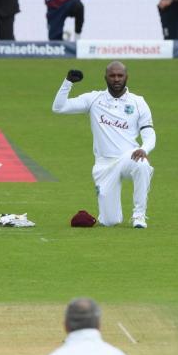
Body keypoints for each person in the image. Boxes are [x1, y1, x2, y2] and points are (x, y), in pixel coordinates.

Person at [52, 62, 155, 229]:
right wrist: (67, 83)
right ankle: (108, 213)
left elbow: (149, 133)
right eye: (112, 75)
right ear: (105, 77)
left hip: (129, 157)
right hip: (104, 165)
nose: (116, 79)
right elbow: (59, 108)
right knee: (110, 221)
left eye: (120, 76)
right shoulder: (94, 99)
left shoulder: (138, 102)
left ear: (126, 77)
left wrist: (144, 148)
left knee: (142, 165)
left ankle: (139, 216)